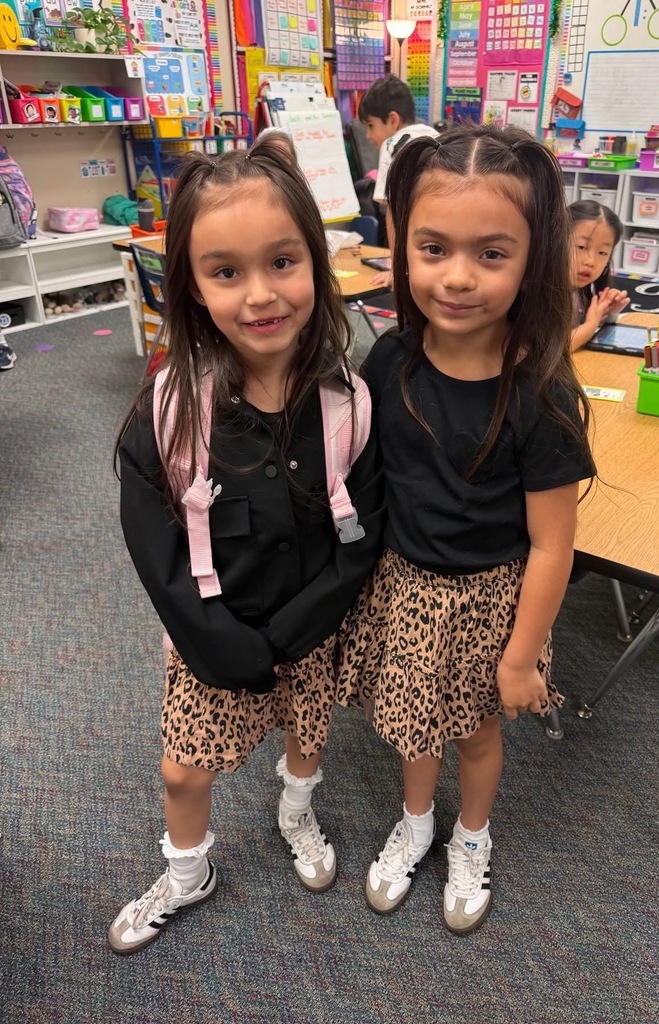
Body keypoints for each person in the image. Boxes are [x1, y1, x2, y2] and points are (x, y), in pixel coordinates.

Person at [109, 139, 384, 955]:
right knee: (183, 770)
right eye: (226, 272)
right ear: (192, 287)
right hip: (211, 631)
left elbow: (361, 532)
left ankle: (296, 813)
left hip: (310, 625)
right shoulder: (170, 411)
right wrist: (215, 640)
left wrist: (303, 626)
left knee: (308, 735)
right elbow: (151, 542)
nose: (261, 295)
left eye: (282, 263)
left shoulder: (348, 403)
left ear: (316, 264)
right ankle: (187, 872)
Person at [337, 125, 595, 935]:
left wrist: (521, 658)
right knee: (414, 725)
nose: (456, 277)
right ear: (403, 249)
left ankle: (472, 837)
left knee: (478, 735)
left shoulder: (540, 392)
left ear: (532, 259)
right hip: (406, 587)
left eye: (490, 254)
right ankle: (416, 823)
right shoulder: (390, 362)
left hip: (492, 603)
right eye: (433, 248)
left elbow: (554, 543)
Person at [359, 74, 440, 288]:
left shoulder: (392, 145)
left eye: (370, 125)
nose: (368, 135)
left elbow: (392, 209)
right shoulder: (436, 136)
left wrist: (395, 268)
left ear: (393, 120)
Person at [569, 199, 629, 351]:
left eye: (602, 252)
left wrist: (607, 312)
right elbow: (550, 351)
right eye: (581, 247)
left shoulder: (578, 291)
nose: (591, 261)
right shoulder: (537, 293)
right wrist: (591, 324)